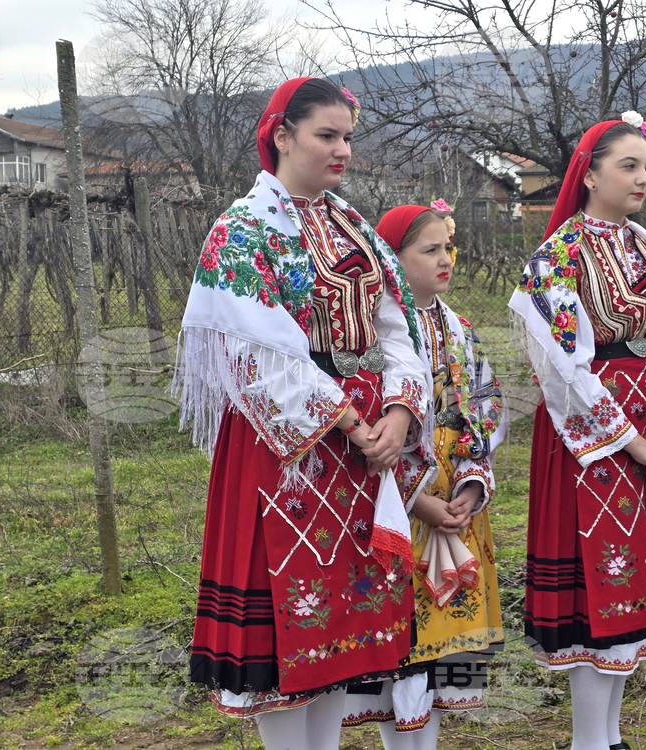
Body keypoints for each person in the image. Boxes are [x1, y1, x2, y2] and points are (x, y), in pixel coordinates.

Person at [174, 77, 430, 750]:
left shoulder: (355, 230)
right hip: (286, 451)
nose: (342, 149)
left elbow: (398, 331)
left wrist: (401, 413)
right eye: (327, 135)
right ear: (282, 136)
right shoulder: (244, 229)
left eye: (348, 136)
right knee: (289, 634)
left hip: (363, 451)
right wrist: (351, 422)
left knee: (340, 632)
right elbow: (254, 358)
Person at [508, 112, 646, 750]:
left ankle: (611, 735)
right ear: (589, 172)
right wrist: (631, 441)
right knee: (600, 586)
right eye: (628, 165)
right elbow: (564, 367)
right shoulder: (559, 257)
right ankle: (587, 740)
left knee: (636, 590)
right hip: (593, 440)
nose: (643, 178)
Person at [342, 201, 508, 748]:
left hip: (453, 504)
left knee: (438, 652)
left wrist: (468, 486)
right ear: (393, 259)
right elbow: (368, 421)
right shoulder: (373, 336)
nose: (445, 261)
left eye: (448, 248)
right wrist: (416, 500)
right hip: (396, 502)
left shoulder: (459, 329)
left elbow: (484, 409)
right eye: (429, 250)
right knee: (399, 644)